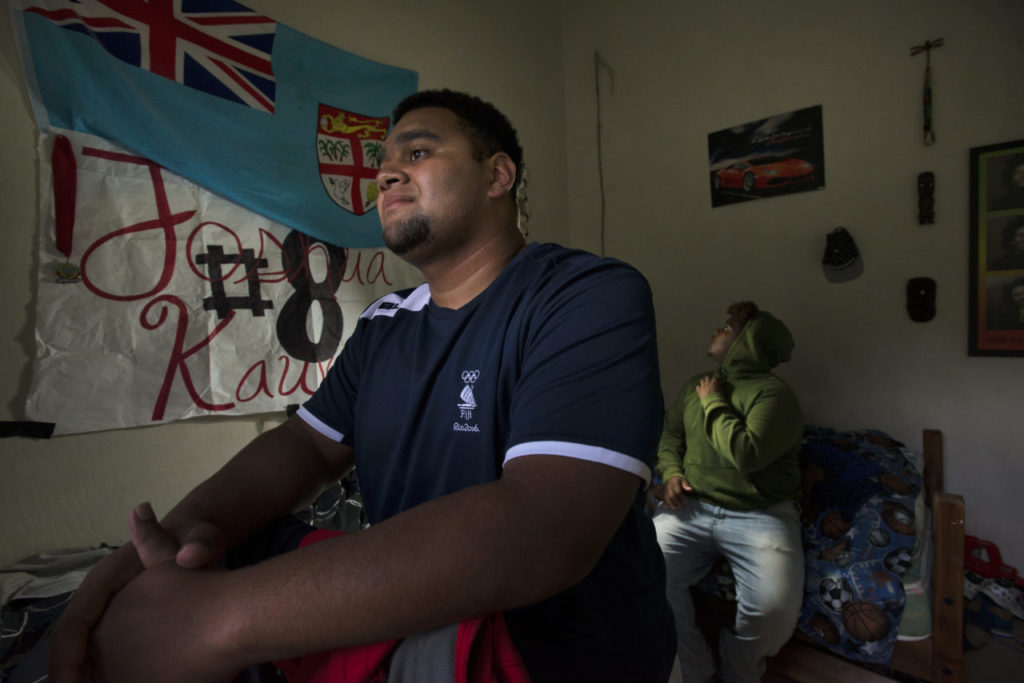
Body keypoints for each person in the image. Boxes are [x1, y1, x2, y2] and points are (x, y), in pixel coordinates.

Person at [47, 89, 677, 683]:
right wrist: (182, 535)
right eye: (384, 161)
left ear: (497, 176)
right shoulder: (385, 324)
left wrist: (212, 620)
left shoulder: (583, 293)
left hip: (562, 656)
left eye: (419, 153)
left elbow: (547, 525)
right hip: (427, 628)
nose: (386, 174)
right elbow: (306, 446)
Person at [653, 301, 804, 683]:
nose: (717, 331)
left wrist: (714, 401)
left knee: (773, 614)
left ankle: (739, 667)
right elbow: (670, 435)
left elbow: (745, 454)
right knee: (647, 573)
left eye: (728, 328)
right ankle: (695, 670)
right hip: (693, 507)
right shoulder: (696, 384)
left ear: (747, 342)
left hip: (760, 514)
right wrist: (671, 473)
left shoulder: (774, 396)